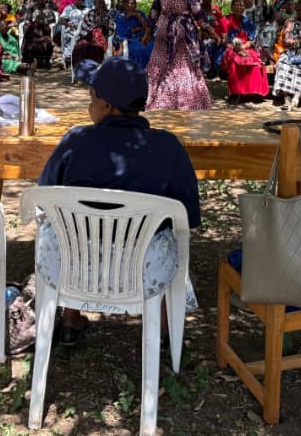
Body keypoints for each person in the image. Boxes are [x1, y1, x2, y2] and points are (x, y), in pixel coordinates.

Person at [37, 57, 200, 345]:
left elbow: (45, 194)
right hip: (144, 268)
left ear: (108, 105)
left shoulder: (75, 140)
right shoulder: (168, 146)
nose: (90, 105)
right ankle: (162, 332)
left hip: (75, 264)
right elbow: (188, 218)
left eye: (92, 97)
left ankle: (70, 321)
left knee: (72, 230)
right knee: (165, 237)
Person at [146, 0, 212, 110]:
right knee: (182, 66)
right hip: (183, 31)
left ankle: (159, 100)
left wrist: (148, 32)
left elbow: (154, 12)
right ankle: (185, 102)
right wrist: (210, 30)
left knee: (162, 63)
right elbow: (197, 13)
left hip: (163, 28)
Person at [272, 0, 301, 109]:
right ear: (295, 11)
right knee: (282, 65)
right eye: (298, 10)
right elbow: (283, 41)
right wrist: (294, 42)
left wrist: (296, 42)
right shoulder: (289, 22)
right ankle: (286, 98)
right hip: (289, 52)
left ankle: (296, 98)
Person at [72, 0, 112, 78]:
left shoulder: (107, 14)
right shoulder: (90, 13)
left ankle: (94, 73)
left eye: (102, 3)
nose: (100, 5)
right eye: (98, 3)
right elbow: (84, 26)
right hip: (88, 35)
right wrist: (94, 28)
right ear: (94, 4)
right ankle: (81, 72)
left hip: (101, 37)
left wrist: (104, 25)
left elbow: (110, 30)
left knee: (95, 48)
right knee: (80, 47)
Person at [114, 0, 153, 69]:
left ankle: (151, 71)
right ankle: (139, 72)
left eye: (135, 3)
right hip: (128, 41)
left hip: (143, 38)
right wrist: (137, 29)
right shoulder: (120, 16)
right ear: (125, 5)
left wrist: (138, 16)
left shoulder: (140, 13)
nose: (134, 6)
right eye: (131, 3)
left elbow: (147, 27)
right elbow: (122, 33)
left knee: (152, 46)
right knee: (139, 49)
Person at [57, 0, 87, 67]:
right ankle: (67, 59)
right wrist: (69, 24)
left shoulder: (87, 9)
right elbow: (61, 20)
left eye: (82, 0)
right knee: (71, 38)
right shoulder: (69, 8)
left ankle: (79, 60)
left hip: (83, 31)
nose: (80, 1)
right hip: (71, 30)